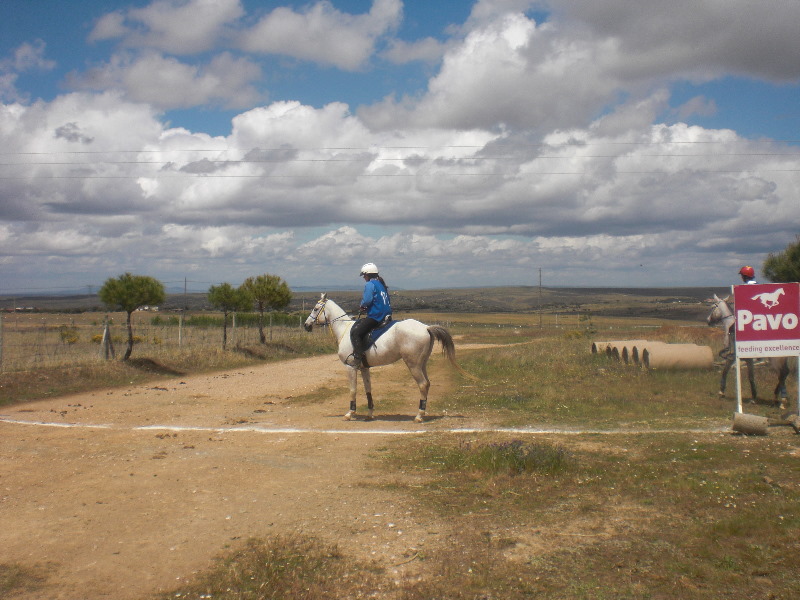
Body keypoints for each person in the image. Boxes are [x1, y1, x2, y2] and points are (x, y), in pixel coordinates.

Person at [346, 263, 392, 367]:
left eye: (364, 275)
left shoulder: (370, 285)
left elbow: (367, 300)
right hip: (387, 315)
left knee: (356, 332)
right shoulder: (382, 285)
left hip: (376, 316)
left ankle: (358, 357)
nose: (363, 277)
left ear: (368, 275)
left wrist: (362, 306)